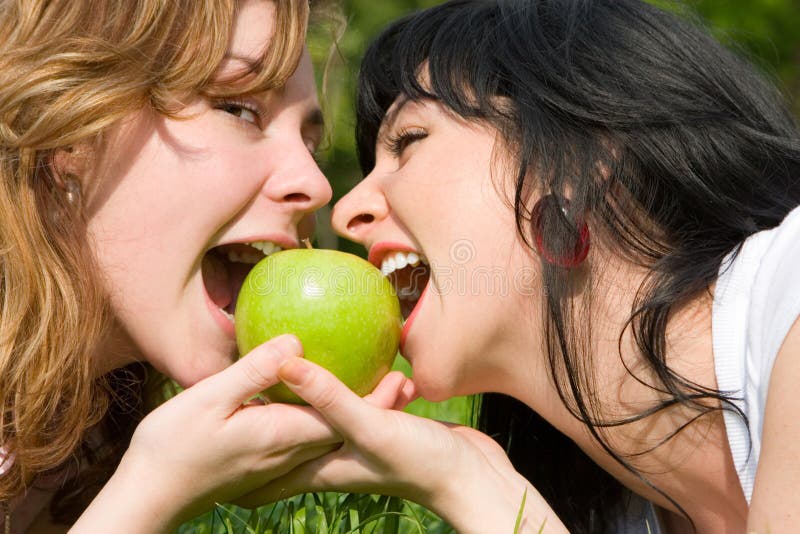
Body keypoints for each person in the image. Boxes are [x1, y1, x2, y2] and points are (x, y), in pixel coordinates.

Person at [231, 1, 800, 532]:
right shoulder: (621, 505)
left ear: (576, 166)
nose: (349, 207)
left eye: (409, 140)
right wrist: (464, 479)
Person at [0, 0, 417, 531]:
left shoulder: (88, 430)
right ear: (68, 130)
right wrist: (150, 494)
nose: (316, 185)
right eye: (239, 109)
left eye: (310, 143)